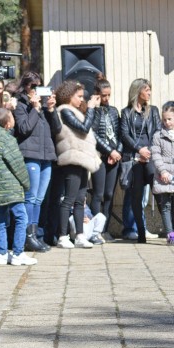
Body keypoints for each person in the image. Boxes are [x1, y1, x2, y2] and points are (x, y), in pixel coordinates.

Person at [0, 108, 36, 265]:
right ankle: (18, 253)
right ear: (7, 123)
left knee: (1, 219)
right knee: (21, 217)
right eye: (12, 117)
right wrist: (26, 184)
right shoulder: (7, 140)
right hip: (11, 187)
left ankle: (2, 254)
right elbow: (17, 165)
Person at [13, 72, 60, 252]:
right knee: (30, 197)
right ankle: (27, 237)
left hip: (46, 156)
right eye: (33, 86)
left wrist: (51, 110)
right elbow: (24, 128)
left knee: (39, 199)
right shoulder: (21, 105)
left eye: (38, 86)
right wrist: (34, 108)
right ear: (25, 87)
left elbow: (57, 129)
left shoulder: (43, 106)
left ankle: (35, 235)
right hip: (30, 155)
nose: (36, 90)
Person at [54, 81, 102, 249]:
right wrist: (89, 109)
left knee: (81, 199)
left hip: (83, 159)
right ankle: (63, 236)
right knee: (69, 199)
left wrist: (91, 110)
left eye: (83, 97)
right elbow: (83, 128)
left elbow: (90, 128)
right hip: (72, 158)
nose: (82, 100)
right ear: (68, 96)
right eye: (79, 96)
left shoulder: (76, 111)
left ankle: (80, 235)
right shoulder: (65, 111)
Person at [120, 78, 161, 244]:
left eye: (150, 89)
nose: (149, 93)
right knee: (136, 196)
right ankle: (140, 233)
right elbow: (124, 135)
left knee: (159, 192)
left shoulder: (153, 111)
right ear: (138, 91)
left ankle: (169, 228)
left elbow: (158, 131)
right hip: (135, 159)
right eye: (146, 90)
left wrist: (149, 151)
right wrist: (139, 150)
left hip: (150, 157)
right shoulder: (126, 112)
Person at [90, 74, 121, 242]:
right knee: (98, 193)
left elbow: (119, 134)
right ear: (97, 94)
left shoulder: (114, 111)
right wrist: (109, 151)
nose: (107, 98)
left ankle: (106, 229)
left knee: (109, 194)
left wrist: (117, 152)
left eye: (109, 95)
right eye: (104, 95)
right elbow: (93, 134)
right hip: (99, 157)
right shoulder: (93, 111)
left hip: (114, 157)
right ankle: (96, 231)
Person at [151, 102, 174, 245]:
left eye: (170, 119)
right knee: (165, 205)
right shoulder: (157, 136)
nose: (167, 122)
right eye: (164, 119)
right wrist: (163, 171)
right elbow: (156, 155)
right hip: (163, 175)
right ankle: (170, 233)